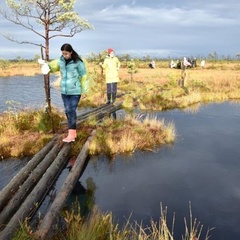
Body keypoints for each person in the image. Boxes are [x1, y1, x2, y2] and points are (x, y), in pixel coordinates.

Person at [39, 43, 88, 142]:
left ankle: (71, 134)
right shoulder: (60, 61)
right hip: (64, 92)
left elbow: (84, 76)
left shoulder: (78, 62)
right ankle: (73, 133)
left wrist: (84, 91)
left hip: (75, 91)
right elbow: (52, 67)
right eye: (63, 53)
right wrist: (45, 66)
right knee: (67, 111)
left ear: (71, 52)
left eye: (66, 53)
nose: (64, 55)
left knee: (71, 110)